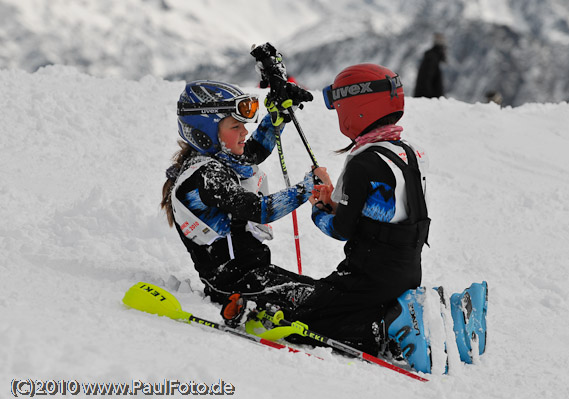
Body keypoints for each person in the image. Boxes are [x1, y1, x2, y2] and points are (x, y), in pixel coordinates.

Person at [286, 63, 431, 359]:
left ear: (356, 108)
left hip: (368, 275)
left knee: (300, 321)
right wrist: (335, 200)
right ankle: (405, 315)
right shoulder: (411, 152)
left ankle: (384, 332)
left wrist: (317, 209)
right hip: (407, 272)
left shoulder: (363, 162)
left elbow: (342, 229)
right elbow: (388, 211)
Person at [160, 79, 320, 321]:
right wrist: (307, 188)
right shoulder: (205, 175)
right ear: (205, 133)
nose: (245, 132)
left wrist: (278, 113)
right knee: (323, 303)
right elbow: (257, 209)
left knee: (326, 293)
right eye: (236, 126)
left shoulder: (218, 160)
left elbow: (253, 151)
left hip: (254, 276)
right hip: (234, 287)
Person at [413, 33, 447, 98]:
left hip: (427, 99)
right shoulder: (432, 59)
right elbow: (425, 81)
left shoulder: (432, 58)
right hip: (427, 101)